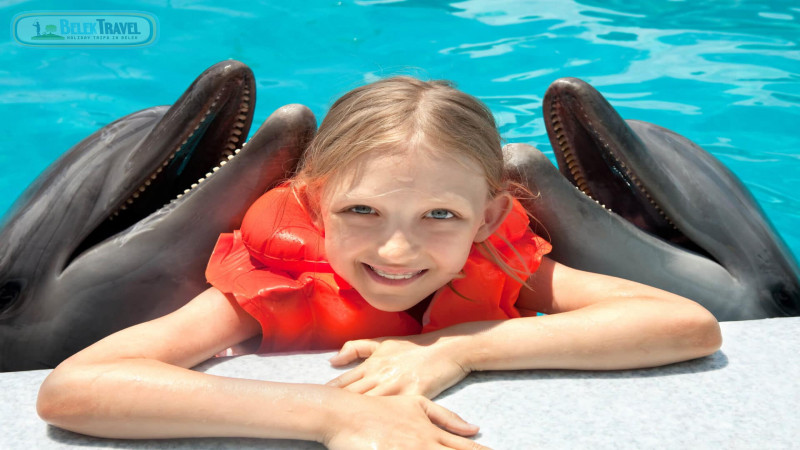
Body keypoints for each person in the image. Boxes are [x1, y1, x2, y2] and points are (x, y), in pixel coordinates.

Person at [37, 76, 722, 449]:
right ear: (314, 204)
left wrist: (457, 349)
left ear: (485, 218)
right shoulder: (277, 286)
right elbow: (74, 390)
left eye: (440, 216)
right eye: (361, 213)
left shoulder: (496, 264)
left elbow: (686, 324)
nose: (397, 251)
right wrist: (332, 416)